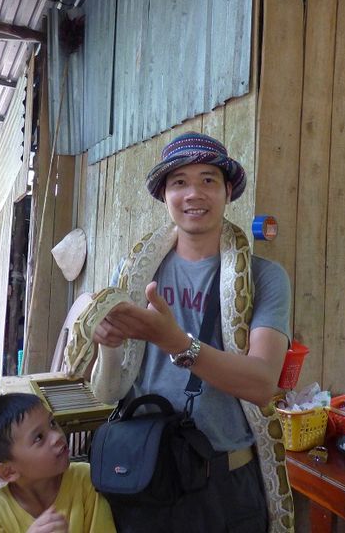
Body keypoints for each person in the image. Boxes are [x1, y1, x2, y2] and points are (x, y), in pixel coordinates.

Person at [92, 132, 293, 532]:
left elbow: (261, 384)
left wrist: (175, 343)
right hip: (143, 473)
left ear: (227, 191)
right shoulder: (133, 274)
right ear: (165, 194)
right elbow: (107, 394)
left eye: (208, 180)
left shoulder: (264, 278)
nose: (193, 194)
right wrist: (109, 347)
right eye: (179, 182)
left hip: (225, 485)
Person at [0, 393, 115, 533]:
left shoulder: (86, 480)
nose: (57, 436)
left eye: (52, 423)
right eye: (38, 438)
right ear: (8, 471)